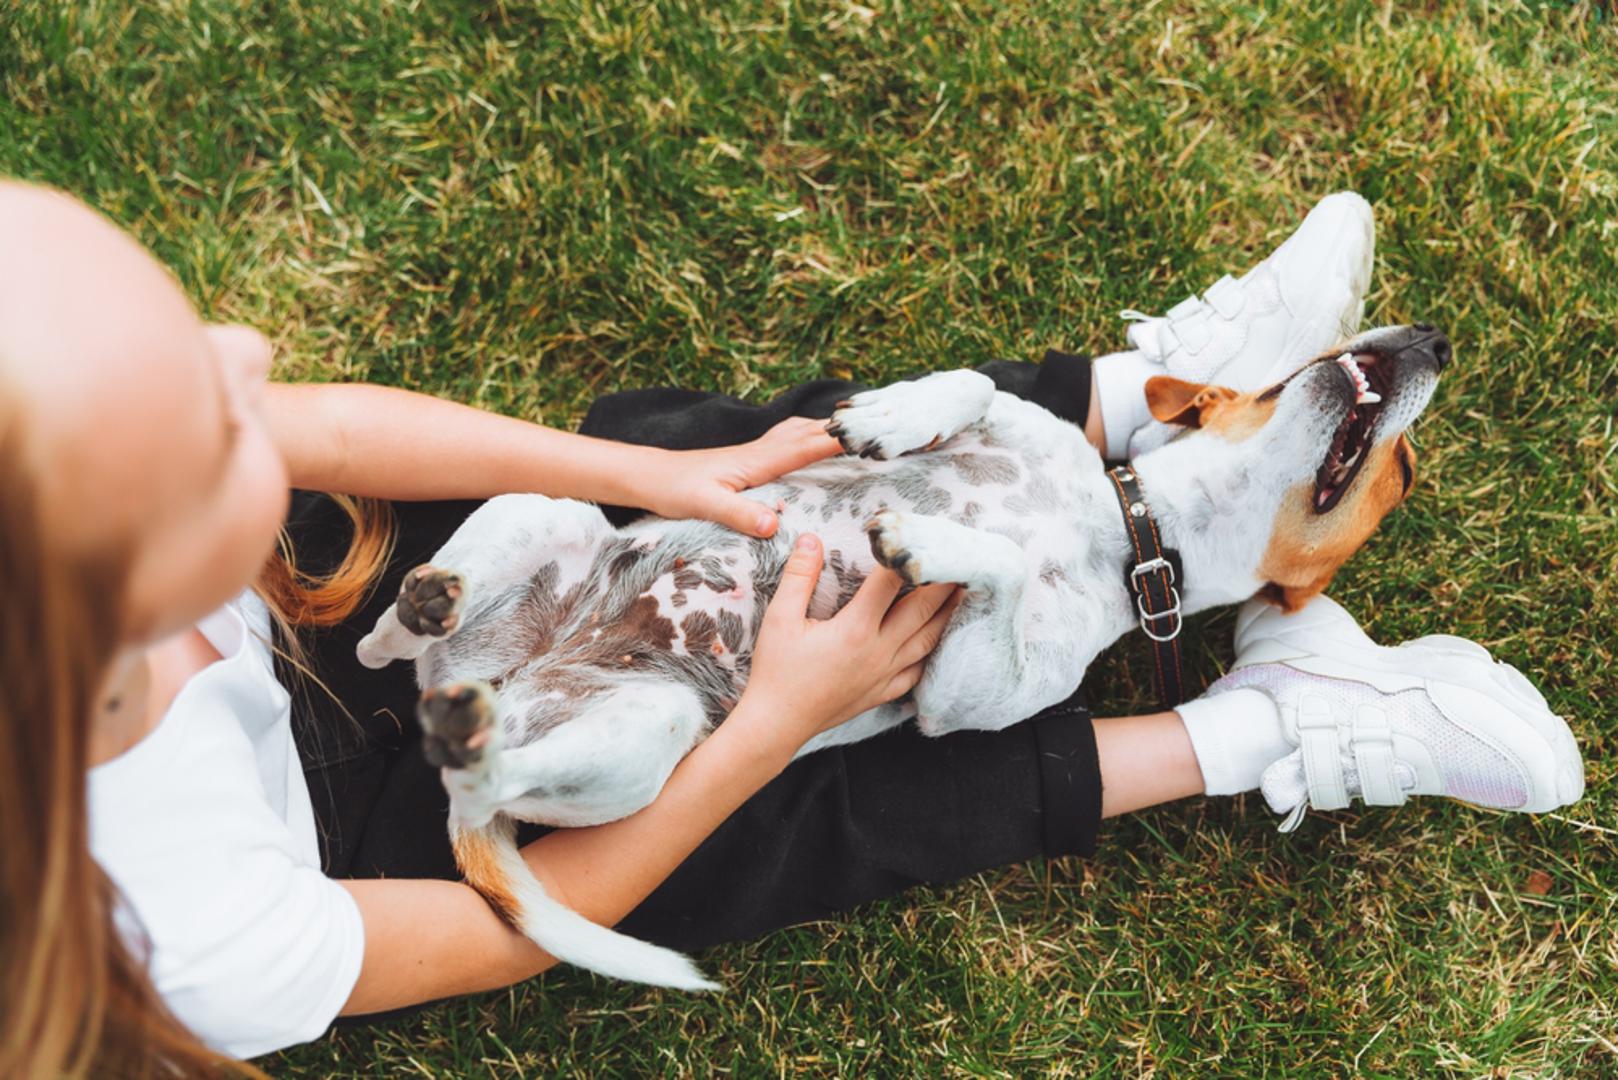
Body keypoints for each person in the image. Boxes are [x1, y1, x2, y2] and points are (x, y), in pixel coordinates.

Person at [0, 181, 1581, 1078]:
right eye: (209, 412)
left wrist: (646, 478)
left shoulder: (78, 506)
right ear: (108, 605)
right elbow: (505, 930)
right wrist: (767, 723)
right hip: (382, 841)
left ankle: (1161, 410)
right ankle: (1264, 724)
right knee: (769, 822)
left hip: (307, 640)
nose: (250, 348)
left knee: (718, 471)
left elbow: (324, 432)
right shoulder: (178, 925)